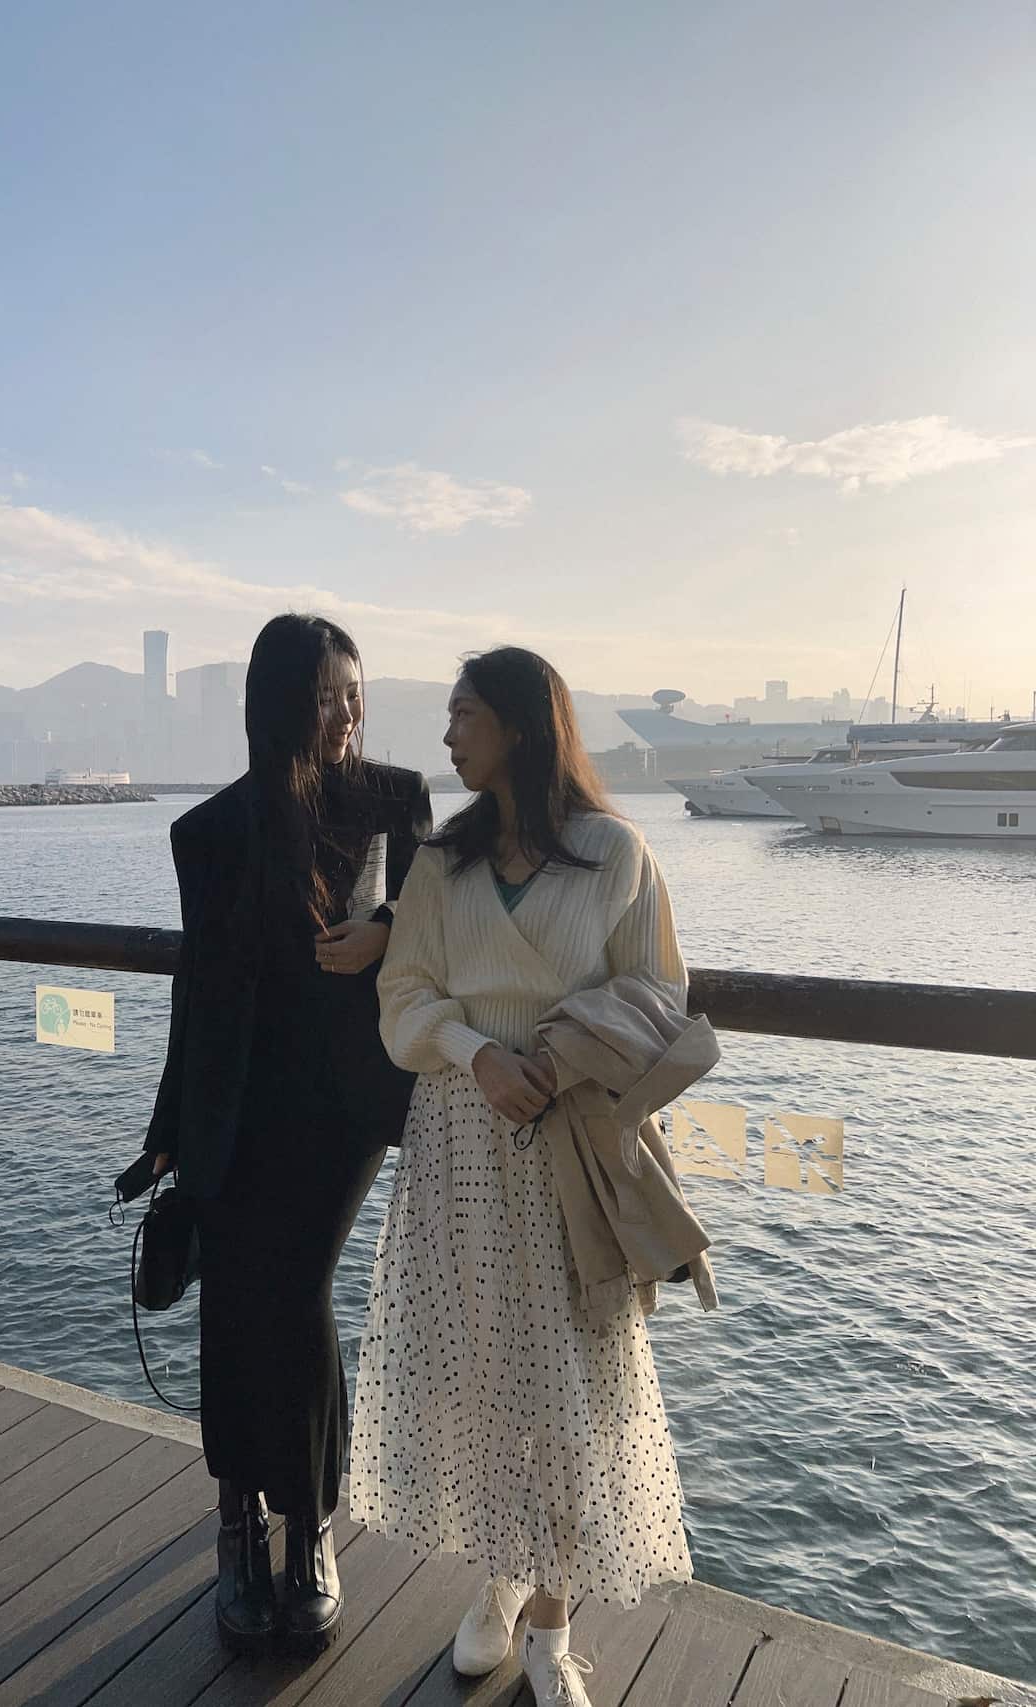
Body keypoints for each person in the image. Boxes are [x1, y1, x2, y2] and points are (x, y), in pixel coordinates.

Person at [350, 647, 711, 1707]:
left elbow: (657, 991)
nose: (448, 736)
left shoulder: (613, 853)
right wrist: (477, 1054)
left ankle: (550, 1617)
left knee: (568, 1386)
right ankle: (499, 1581)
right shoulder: (440, 864)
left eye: (462, 715)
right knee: (477, 1375)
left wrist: (553, 1060)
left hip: (568, 1146)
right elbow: (401, 996)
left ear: (517, 725)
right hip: (460, 1142)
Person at [144, 613, 431, 1654]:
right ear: (279, 705)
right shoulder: (209, 834)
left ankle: (308, 1525)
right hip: (233, 1103)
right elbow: (196, 992)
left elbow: (443, 915)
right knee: (231, 1301)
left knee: (297, 1294)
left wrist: (389, 932)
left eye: (353, 695)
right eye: (324, 697)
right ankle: (235, 1526)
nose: (345, 716)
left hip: (343, 1105)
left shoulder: (395, 801)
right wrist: (168, 1127)